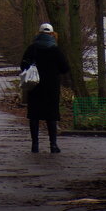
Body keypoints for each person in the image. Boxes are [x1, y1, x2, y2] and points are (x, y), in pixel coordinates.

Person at [20, 22, 70, 153]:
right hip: (51, 87)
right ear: (52, 34)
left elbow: (23, 65)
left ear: (39, 33)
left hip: (34, 85)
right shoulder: (55, 50)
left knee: (34, 116)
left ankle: (35, 145)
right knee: (51, 116)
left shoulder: (32, 48)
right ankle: (53, 145)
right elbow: (65, 68)